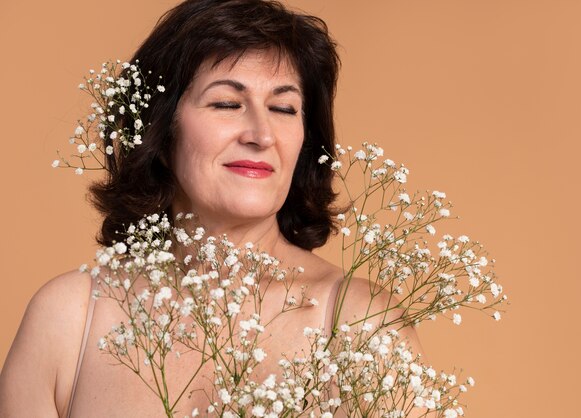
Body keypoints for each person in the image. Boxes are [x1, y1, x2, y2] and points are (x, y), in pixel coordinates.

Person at [0, 0, 426, 416]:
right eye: (226, 103)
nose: (262, 134)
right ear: (160, 132)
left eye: (283, 108)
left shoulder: (361, 323)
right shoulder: (68, 318)